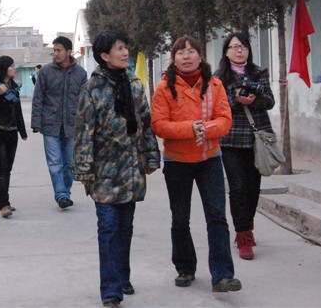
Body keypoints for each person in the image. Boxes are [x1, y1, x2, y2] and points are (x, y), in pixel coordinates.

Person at [72, 30, 160, 308]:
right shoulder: (92, 89)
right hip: (104, 173)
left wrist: (151, 156)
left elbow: (145, 122)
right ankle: (110, 290)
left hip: (131, 169)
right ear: (104, 56)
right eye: (119, 49)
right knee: (108, 228)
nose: (125, 53)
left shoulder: (134, 84)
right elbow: (84, 131)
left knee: (125, 227)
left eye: (126, 48)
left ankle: (122, 276)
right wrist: (84, 168)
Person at [150, 36, 242, 293]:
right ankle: (185, 268)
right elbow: (159, 124)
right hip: (177, 162)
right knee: (180, 218)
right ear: (174, 58)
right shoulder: (164, 88)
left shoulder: (215, 85)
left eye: (192, 52)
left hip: (209, 159)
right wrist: (192, 129)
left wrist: (207, 129)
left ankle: (222, 275)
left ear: (200, 57)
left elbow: (225, 119)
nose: (187, 56)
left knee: (217, 217)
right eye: (181, 52)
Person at [215, 32, 276, 260]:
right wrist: (236, 101)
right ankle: (243, 237)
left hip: (256, 138)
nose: (239, 50)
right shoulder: (219, 77)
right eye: (234, 47)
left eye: (243, 46)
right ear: (226, 51)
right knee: (238, 188)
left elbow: (269, 101)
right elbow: (217, 106)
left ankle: (247, 222)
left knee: (253, 188)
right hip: (231, 139)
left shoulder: (259, 73)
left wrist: (255, 99)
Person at [31, 36, 87, 209]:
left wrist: (85, 124)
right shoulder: (46, 72)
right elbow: (38, 98)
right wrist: (36, 122)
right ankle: (61, 195)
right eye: (54, 50)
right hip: (50, 124)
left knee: (70, 163)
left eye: (59, 50)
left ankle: (66, 191)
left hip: (72, 125)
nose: (55, 53)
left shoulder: (80, 73)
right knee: (55, 162)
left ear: (68, 52)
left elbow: (85, 101)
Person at [0, 56, 28, 218]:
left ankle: (0, 200)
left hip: (11, 132)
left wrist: (22, 131)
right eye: (12, 66)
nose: (14, 69)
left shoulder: (14, 87)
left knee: (7, 169)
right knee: (0, 169)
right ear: (4, 69)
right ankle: (4, 203)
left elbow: (18, 111)